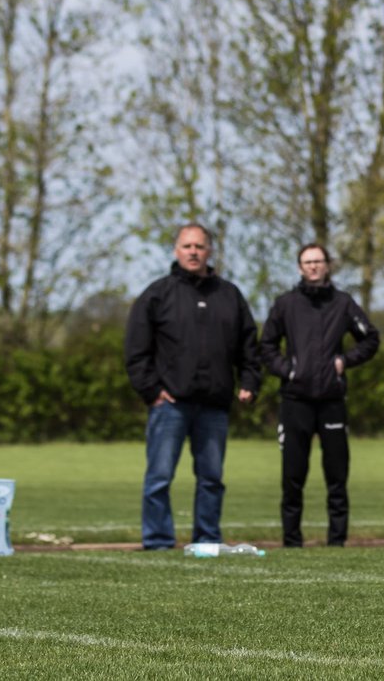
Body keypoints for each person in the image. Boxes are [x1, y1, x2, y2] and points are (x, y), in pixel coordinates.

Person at [124, 224, 262, 550]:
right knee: (159, 479)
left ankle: (208, 540)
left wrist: (250, 381)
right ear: (176, 250)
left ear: (209, 251)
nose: (193, 251)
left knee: (212, 479)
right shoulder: (157, 294)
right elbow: (135, 349)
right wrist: (151, 390)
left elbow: (249, 346)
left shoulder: (229, 295)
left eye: (199, 246)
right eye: (187, 246)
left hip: (214, 404)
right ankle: (158, 542)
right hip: (169, 404)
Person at [260, 243, 380, 548]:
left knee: (337, 476)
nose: (313, 266)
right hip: (295, 401)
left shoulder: (343, 303)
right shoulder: (285, 304)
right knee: (292, 476)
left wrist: (344, 361)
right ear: (300, 267)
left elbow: (370, 338)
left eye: (318, 261)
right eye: (307, 262)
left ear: (328, 265)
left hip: (332, 401)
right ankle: (291, 541)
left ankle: (337, 541)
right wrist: (288, 370)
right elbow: (267, 346)